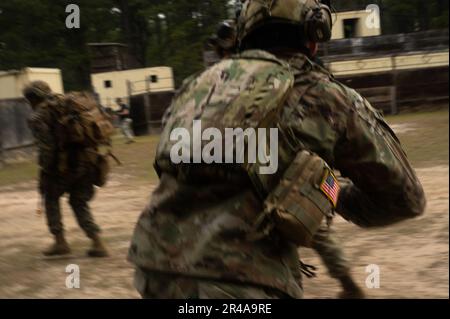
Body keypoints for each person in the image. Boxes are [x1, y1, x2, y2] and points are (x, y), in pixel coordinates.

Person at [128, 0, 425, 299]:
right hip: (245, 284)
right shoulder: (326, 96)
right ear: (314, 34)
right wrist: (330, 192)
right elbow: (404, 198)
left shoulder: (198, 87)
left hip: (154, 270)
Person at [209, 15, 365, 299]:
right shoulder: (255, 73)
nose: (221, 56)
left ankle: (346, 283)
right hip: (279, 165)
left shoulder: (253, 76)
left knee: (299, 229)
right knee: (301, 230)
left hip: (282, 166)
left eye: (224, 49)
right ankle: (347, 283)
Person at [24, 81, 109, 257]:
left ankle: (60, 242)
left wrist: (46, 171)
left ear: (33, 98)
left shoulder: (39, 116)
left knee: (51, 199)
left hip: (64, 167)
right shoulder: (68, 104)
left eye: (29, 100)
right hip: (88, 162)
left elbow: (47, 148)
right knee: (78, 202)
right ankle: (97, 243)